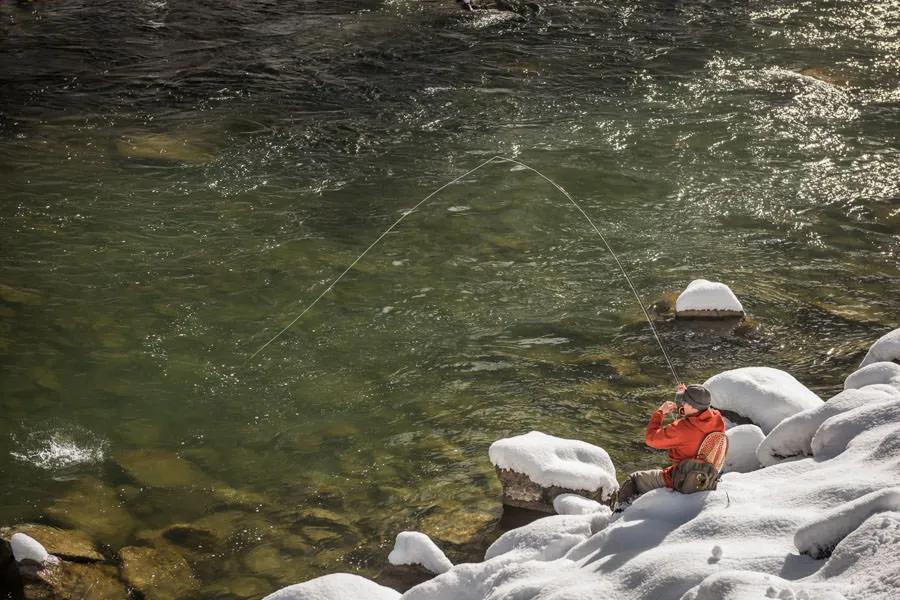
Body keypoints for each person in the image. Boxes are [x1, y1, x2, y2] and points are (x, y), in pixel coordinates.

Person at [615, 383, 725, 509]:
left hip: (680, 478)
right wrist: (686, 395)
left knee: (634, 480)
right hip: (706, 477)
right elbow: (695, 422)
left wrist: (660, 412)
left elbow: (651, 439)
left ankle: (619, 513)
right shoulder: (717, 419)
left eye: (684, 401)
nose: (682, 403)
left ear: (691, 405)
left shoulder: (682, 429)